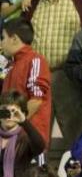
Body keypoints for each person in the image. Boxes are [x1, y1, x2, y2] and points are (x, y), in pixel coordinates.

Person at [25, 0, 82, 146]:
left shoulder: (81, 1)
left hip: (67, 77)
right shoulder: (32, 3)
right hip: (37, 78)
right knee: (36, 137)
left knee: (76, 133)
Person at [1, 19, 51, 147]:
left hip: (31, 140)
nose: (1, 43)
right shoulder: (12, 65)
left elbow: (36, 100)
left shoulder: (35, 60)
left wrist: (15, 124)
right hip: (12, 137)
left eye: (3, 38)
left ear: (14, 39)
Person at [0, 93, 45, 177]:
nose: (9, 116)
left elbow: (40, 146)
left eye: (14, 112)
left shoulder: (25, 138)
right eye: (4, 111)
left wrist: (24, 121)